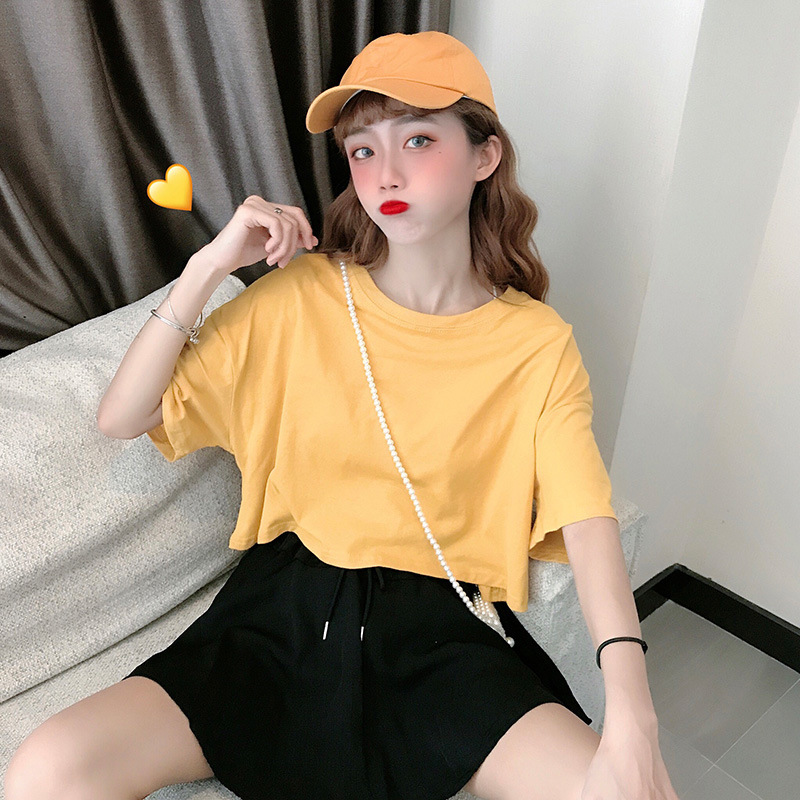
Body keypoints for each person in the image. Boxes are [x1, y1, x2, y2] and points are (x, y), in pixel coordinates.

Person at [4, 30, 677, 800]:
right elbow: (123, 416)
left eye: (417, 140)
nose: (385, 172)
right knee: (46, 769)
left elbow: (586, 520)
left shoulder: (535, 344)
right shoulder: (301, 298)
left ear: (484, 156)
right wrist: (208, 266)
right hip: (280, 614)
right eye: (362, 150)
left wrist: (634, 717)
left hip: (437, 635)